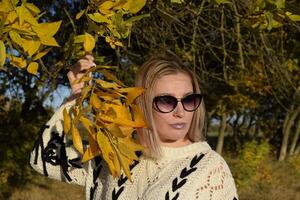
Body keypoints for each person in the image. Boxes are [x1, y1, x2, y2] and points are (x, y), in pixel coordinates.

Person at [30, 53, 239, 200]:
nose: (181, 111)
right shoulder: (115, 155)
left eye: (189, 100)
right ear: (143, 105)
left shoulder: (210, 168)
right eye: (166, 101)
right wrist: (76, 96)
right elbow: (44, 159)